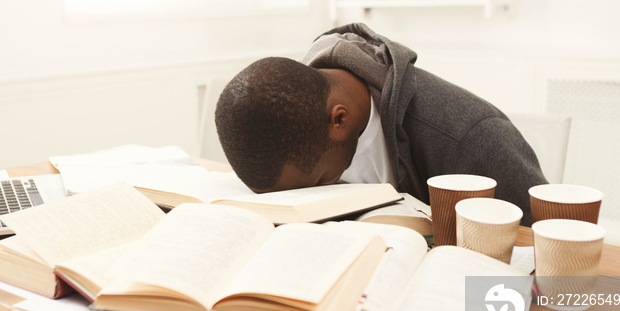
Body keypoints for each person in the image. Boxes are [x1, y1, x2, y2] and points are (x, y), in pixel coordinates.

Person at [215, 23, 547, 225]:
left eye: (318, 181)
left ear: (339, 120)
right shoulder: (292, 115)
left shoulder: (474, 138)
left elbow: (550, 255)